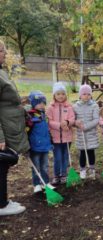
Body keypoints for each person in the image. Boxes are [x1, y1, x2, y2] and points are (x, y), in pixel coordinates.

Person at [0, 40, 29, 216]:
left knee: (3, 165)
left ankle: (3, 199)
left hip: (9, 123)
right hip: (4, 127)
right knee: (2, 164)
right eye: (2, 50)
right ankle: (1, 205)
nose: (4, 53)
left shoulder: (2, 71)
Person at [46, 82, 75, 185]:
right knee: (57, 157)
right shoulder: (50, 108)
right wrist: (59, 125)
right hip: (56, 137)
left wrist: (67, 122)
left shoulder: (69, 107)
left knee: (65, 156)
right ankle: (56, 175)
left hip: (67, 137)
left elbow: (72, 119)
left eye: (62, 94)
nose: (60, 96)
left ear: (65, 95)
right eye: (58, 94)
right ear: (54, 95)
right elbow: (49, 121)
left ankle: (64, 174)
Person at [26, 91, 55, 193]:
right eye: (39, 103)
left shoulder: (43, 115)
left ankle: (45, 182)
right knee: (36, 166)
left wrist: (50, 142)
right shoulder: (30, 117)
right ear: (33, 104)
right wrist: (26, 146)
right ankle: (36, 184)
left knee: (45, 166)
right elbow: (26, 131)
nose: (42, 105)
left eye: (43, 102)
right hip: (35, 147)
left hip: (45, 146)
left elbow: (47, 130)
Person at [73, 85, 99, 180]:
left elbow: (96, 120)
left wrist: (86, 126)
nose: (86, 96)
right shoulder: (75, 106)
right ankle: (83, 169)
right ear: (80, 95)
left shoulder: (94, 105)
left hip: (91, 134)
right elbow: (73, 120)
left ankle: (92, 169)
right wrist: (76, 123)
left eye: (88, 94)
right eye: (84, 94)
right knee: (83, 152)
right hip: (81, 135)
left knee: (91, 152)